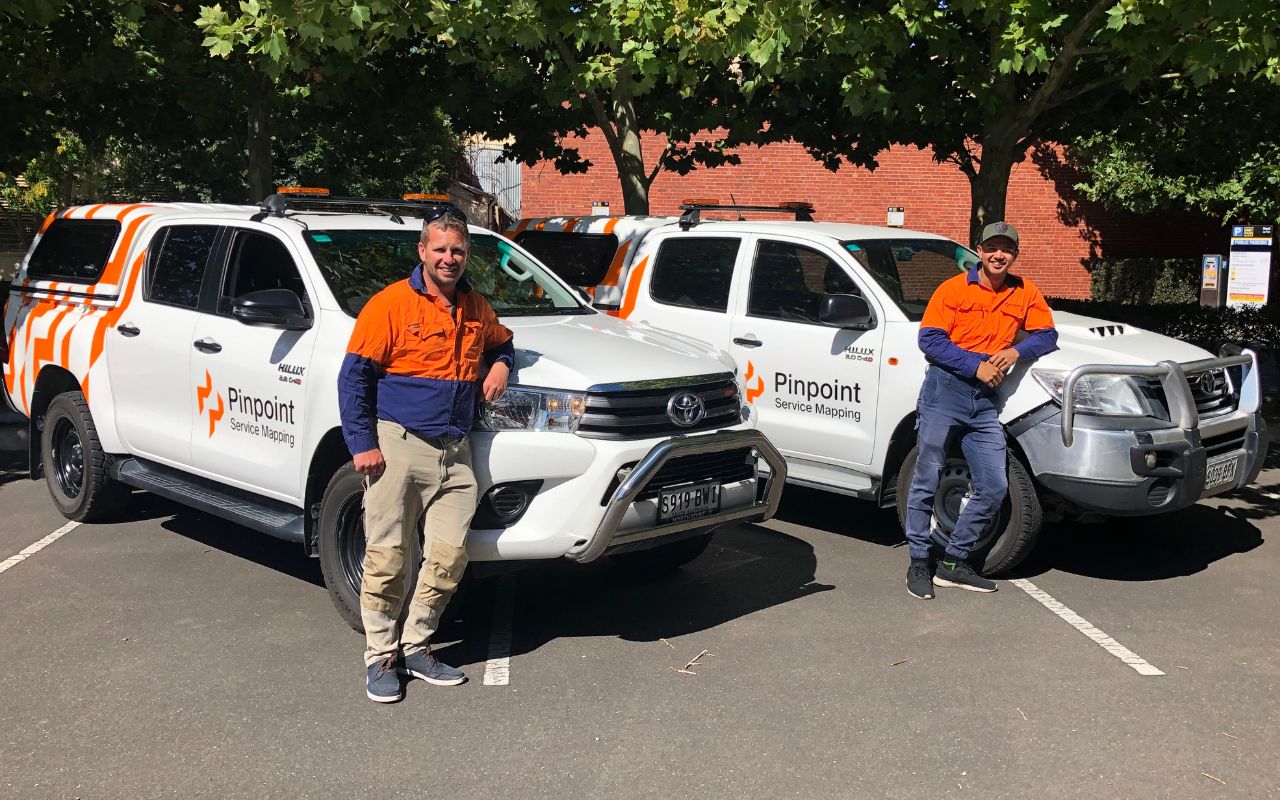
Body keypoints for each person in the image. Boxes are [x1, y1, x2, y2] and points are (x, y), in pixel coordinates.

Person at [339, 206, 514, 702]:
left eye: (457, 250)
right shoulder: (390, 305)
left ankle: (417, 646)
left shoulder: (475, 306)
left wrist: (499, 365)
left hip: (455, 454)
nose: (449, 258)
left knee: (449, 555)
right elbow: (354, 378)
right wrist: (363, 444)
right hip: (399, 447)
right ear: (422, 251)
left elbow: (503, 344)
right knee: (388, 555)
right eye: (439, 249)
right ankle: (380, 657)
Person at [904, 221, 1057, 600]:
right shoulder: (954, 289)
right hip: (946, 391)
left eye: (1006, 249)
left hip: (985, 403)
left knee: (993, 485)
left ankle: (953, 564)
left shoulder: (1025, 292)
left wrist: (1016, 351)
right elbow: (930, 339)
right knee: (927, 477)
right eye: (992, 248)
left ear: (1015, 254)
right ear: (979, 250)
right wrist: (977, 366)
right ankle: (919, 562)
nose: (998, 255)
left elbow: (1047, 334)